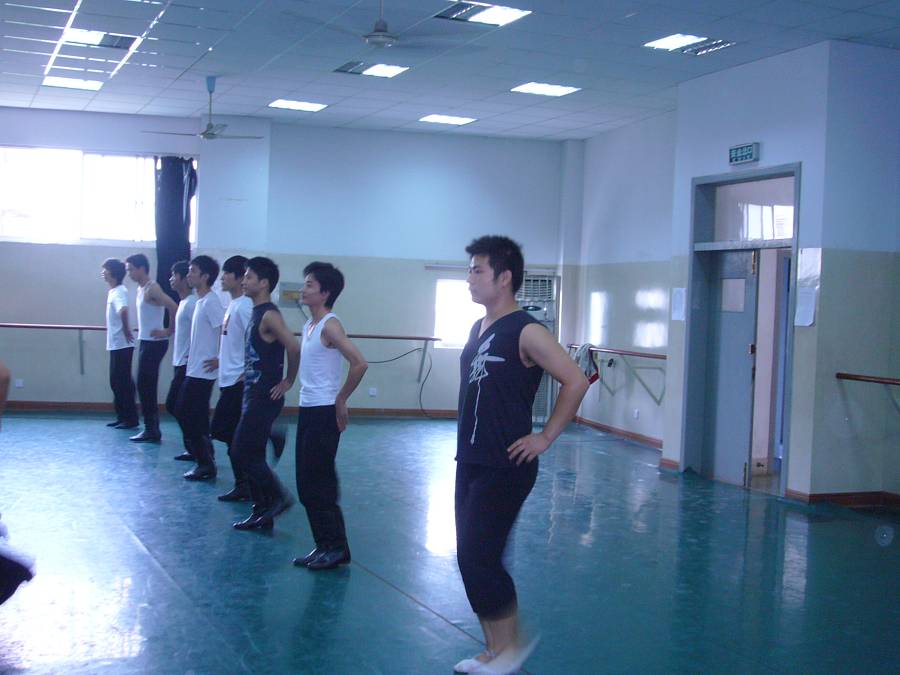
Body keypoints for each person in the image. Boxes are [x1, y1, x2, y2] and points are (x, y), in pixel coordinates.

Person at [452, 236, 589, 675]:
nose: (470, 278)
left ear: (504, 278)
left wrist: (545, 437)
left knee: (481, 556)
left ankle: (510, 651)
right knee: (469, 557)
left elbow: (576, 380)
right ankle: (493, 650)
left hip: (506, 463)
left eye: (478, 270)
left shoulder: (527, 330)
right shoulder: (478, 327)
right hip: (470, 458)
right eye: (470, 270)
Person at [291, 262, 367, 571]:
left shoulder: (330, 325)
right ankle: (323, 545)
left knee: (318, 482)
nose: (304, 289)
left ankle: (336, 548)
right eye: (305, 283)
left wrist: (341, 398)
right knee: (306, 483)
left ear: (325, 292)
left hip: (323, 412)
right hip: (308, 409)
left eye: (310, 284)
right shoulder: (309, 326)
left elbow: (359, 363)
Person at [232, 257, 300, 530]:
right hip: (253, 392)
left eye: (249, 277)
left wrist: (288, 381)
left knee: (241, 452)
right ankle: (262, 513)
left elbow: (293, 347)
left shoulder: (270, 314)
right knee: (254, 454)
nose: (243, 281)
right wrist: (246, 373)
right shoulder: (256, 311)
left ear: (264, 283)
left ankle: (278, 496)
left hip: (264, 396)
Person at [208, 255, 254, 501]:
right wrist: (221, 359)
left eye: (227, 273)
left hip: (238, 381)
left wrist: (246, 374)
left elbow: (256, 341)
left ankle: (246, 483)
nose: (222, 278)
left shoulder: (245, 307)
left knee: (223, 430)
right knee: (228, 433)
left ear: (238, 278)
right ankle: (243, 483)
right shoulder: (233, 305)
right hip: (228, 378)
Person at [177, 255, 225, 481]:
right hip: (195, 367)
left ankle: (205, 463)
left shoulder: (211, 302)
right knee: (192, 414)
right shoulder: (200, 302)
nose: (189, 275)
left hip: (203, 371)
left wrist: (221, 358)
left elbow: (224, 330)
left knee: (189, 414)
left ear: (205, 276)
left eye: (193, 271)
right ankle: (205, 457)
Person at [125, 254, 178, 442]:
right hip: (147, 341)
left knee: (145, 385)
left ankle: (152, 429)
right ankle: (151, 428)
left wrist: (168, 331)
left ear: (141, 268)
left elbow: (173, 307)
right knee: (144, 385)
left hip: (155, 343)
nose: (129, 273)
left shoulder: (152, 288)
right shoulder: (141, 289)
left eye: (131, 269)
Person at [163, 261, 198, 462]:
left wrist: (191, 357)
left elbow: (200, 333)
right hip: (180, 363)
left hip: (187, 364)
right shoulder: (184, 303)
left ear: (184, 279)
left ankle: (198, 446)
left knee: (177, 406)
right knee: (178, 407)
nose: (170, 279)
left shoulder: (192, 303)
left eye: (174, 276)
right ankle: (193, 447)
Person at [101, 258, 138, 429]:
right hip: (116, 344)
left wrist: (126, 330)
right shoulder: (114, 291)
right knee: (116, 381)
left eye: (106, 269)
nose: (103, 272)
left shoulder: (119, 292)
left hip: (122, 345)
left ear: (113, 273)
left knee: (122, 382)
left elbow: (123, 310)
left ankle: (130, 419)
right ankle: (122, 416)